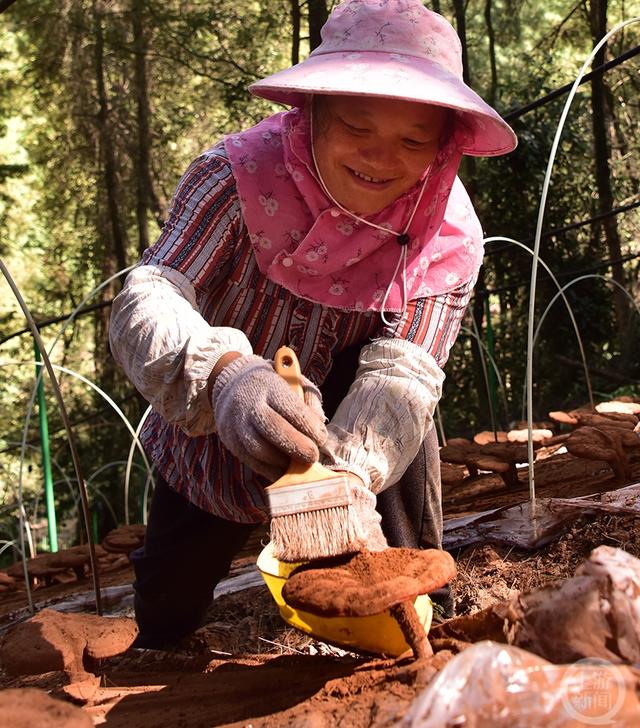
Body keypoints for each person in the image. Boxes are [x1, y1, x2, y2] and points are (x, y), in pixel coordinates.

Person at [110, 0, 517, 649]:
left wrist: (346, 476)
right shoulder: (234, 180)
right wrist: (224, 377)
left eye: (414, 140)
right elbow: (150, 293)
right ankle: (161, 637)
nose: (382, 158)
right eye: (358, 126)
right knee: (169, 598)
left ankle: (413, 620)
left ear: (445, 145)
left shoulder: (446, 236)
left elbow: (405, 374)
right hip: (220, 420)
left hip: (359, 427)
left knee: (399, 562)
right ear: (313, 113)